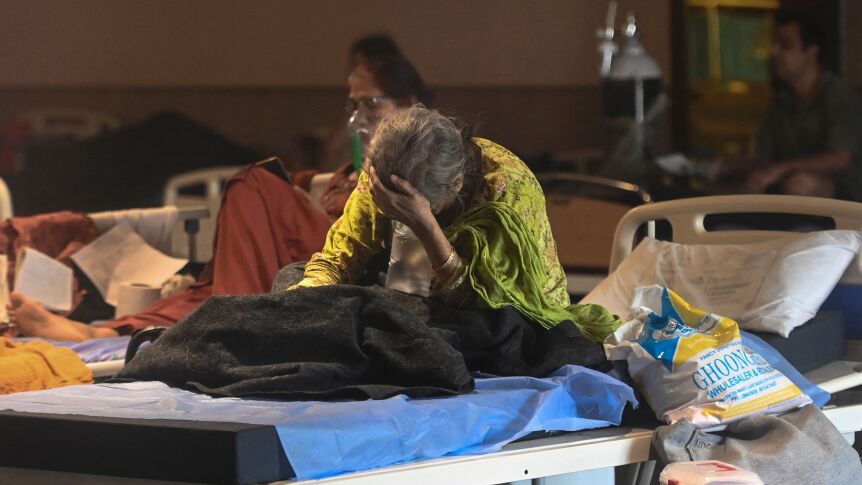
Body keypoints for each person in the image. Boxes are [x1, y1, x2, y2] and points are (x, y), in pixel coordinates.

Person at [10, 52, 431, 342]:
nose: (358, 118)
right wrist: (302, 190)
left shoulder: (414, 169)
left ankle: (231, 326)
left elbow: (404, 261)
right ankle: (98, 332)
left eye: (371, 103)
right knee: (203, 293)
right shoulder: (345, 174)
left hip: (335, 265)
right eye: (352, 105)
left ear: (409, 103)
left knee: (253, 185)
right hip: (302, 260)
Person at [286, 106, 619, 341]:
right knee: (293, 278)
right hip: (406, 299)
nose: (395, 212)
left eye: (408, 208)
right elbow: (341, 255)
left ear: (457, 184)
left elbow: (496, 303)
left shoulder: (506, 189)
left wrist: (425, 227)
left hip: (497, 313)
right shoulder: (385, 174)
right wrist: (312, 293)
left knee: (491, 334)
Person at [736, 10, 862, 204]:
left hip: (852, 199)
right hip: (791, 193)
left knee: (801, 184)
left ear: (811, 52)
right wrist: (724, 167)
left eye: (785, 45)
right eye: (774, 44)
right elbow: (764, 156)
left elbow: (841, 158)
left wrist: (781, 169)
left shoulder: (835, 93)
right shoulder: (781, 102)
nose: (774, 52)